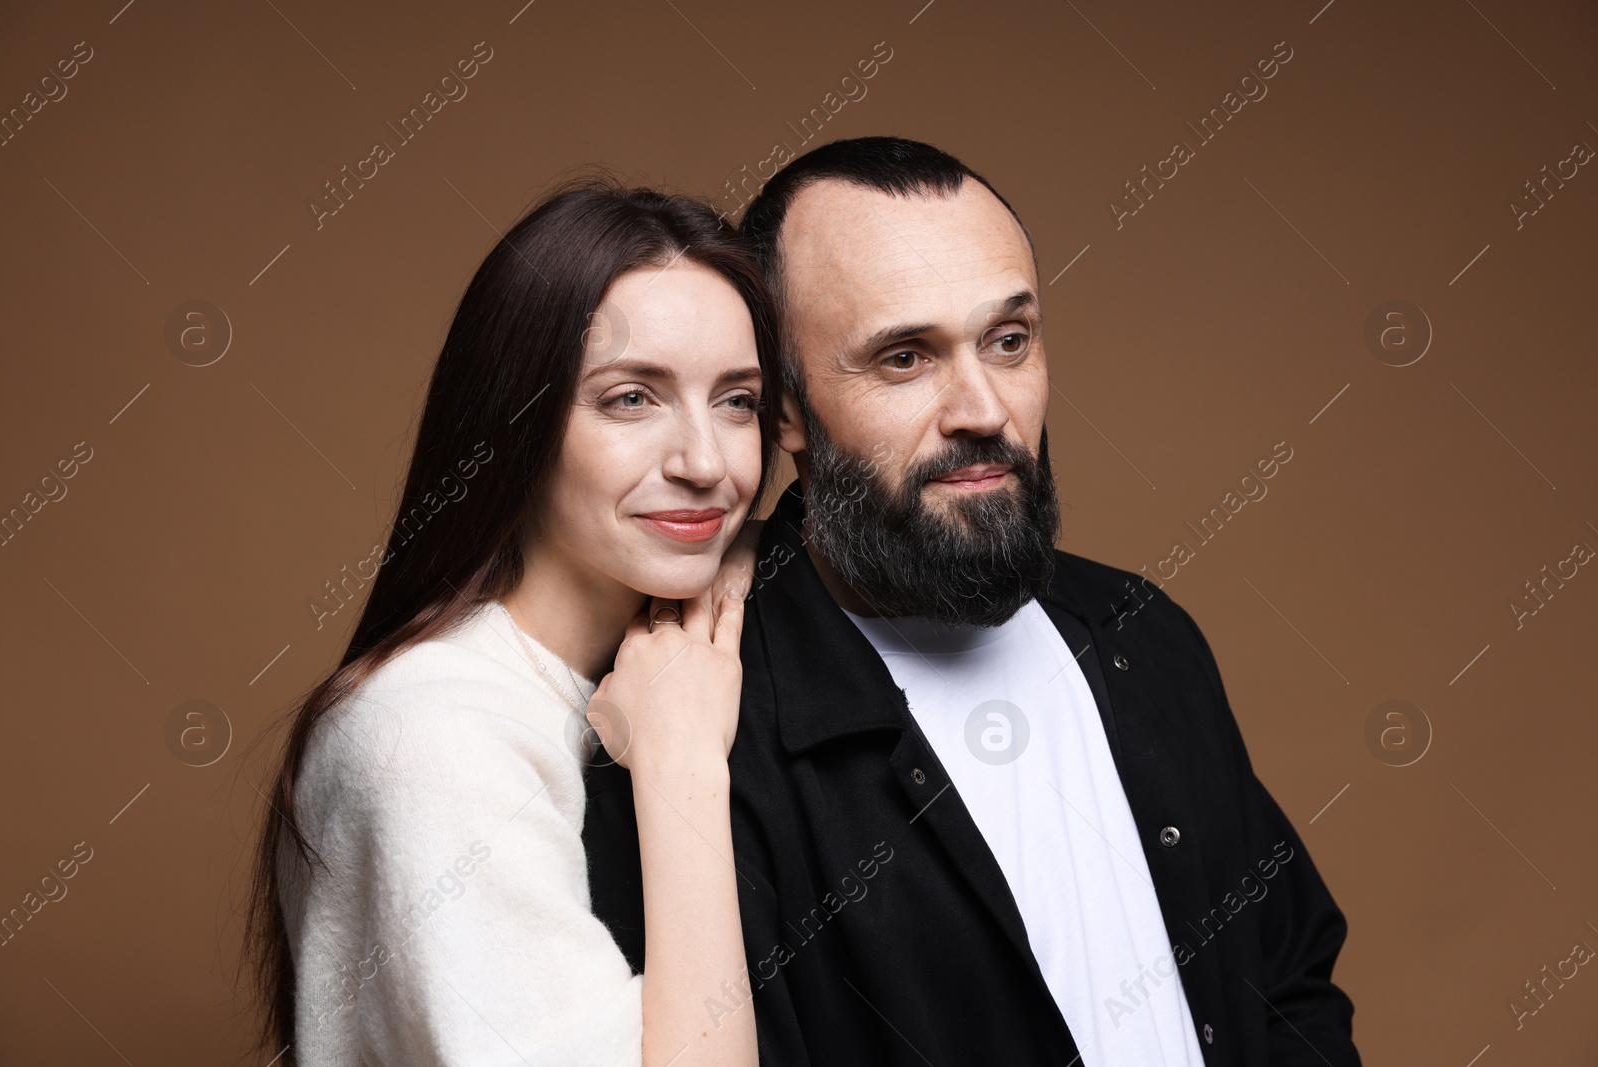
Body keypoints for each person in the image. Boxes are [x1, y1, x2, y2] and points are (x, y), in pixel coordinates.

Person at [584, 137, 1362, 1066]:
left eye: (1008, 341)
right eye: (905, 357)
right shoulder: (693, 723)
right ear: (783, 406)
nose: (982, 408)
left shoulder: (1142, 635)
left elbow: (1288, 980)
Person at [246, 180, 781, 1067]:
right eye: (630, 399)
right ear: (514, 426)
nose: (706, 461)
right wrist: (681, 764)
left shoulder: (660, 642)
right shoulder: (434, 736)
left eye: (736, 400)